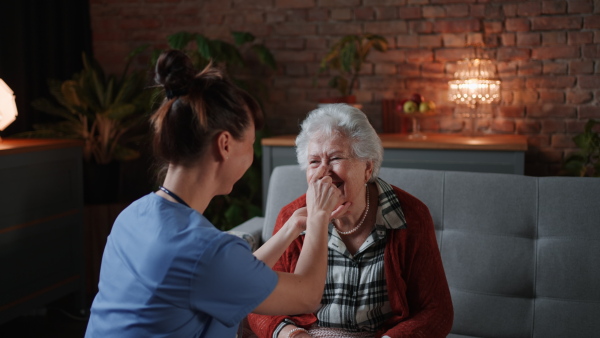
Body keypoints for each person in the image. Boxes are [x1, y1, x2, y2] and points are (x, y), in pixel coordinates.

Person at [84, 50, 349, 337]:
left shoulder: (132, 216)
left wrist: (290, 229)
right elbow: (306, 296)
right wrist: (320, 217)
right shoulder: (205, 250)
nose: (251, 157)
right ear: (225, 144)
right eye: (248, 144)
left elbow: (230, 278)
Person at [247, 104, 453, 338]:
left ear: (367, 167)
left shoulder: (410, 215)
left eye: (335, 158)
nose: (323, 173)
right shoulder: (292, 217)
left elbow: (437, 310)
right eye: (314, 162)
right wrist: (291, 334)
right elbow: (258, 300)